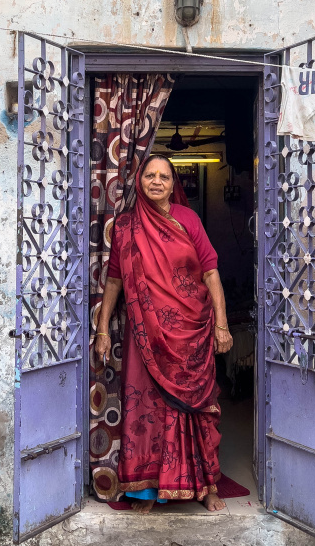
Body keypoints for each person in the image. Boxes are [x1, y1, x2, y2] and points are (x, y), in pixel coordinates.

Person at [94, 154, 233, 514]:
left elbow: (211, 274)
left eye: (165, 177)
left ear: (174, 184)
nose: (157, 182)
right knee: (147, 411)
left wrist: (221, 325)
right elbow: (114, 280)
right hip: (146, 336)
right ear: (140, 181)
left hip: (191, 333)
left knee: (197, 409)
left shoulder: (188, 220)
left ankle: (206, 486)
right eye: (150, 176)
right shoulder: (126, 227)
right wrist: (102, 328)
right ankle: (146, 488)